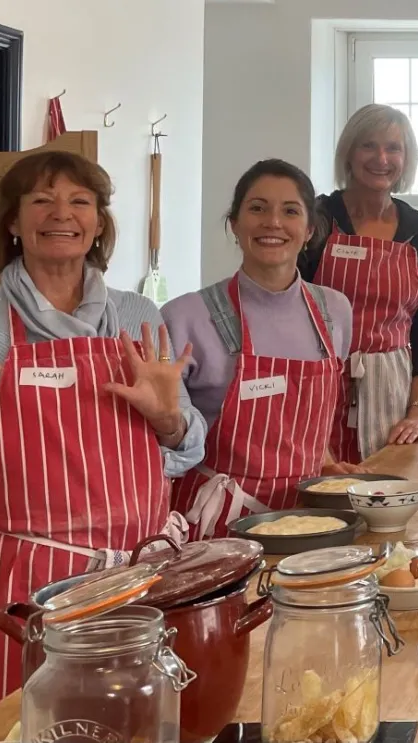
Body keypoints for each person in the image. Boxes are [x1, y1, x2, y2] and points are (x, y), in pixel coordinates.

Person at [0, 151, 207, 732]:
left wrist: (168, 420)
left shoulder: (137, 316)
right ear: (12, 221)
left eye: (80, 201)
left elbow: (185, 446)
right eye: (41, 200)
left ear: (100, 223)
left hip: (128, 583)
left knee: (128, 725)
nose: (62, 214)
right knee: (9, 727)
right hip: (17, 589)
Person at [162, 159, 354, 541]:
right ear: (234, 224)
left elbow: (314, 426)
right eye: (257, 208)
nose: (273, 223)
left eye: (290, 211)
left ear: (310, 229)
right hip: (218, 528)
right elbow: (166, 443)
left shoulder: (334, 311)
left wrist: (327, 464)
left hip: (310, 522)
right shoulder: (184, 316)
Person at [300, 104, 418, 463]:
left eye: (393, 148)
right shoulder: (315, 219)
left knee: (388, 500)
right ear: (349, 153)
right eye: (368, 145)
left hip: (392, 399)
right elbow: (285, 312)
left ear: (406, 158)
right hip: (316, 389)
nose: (382, 158)